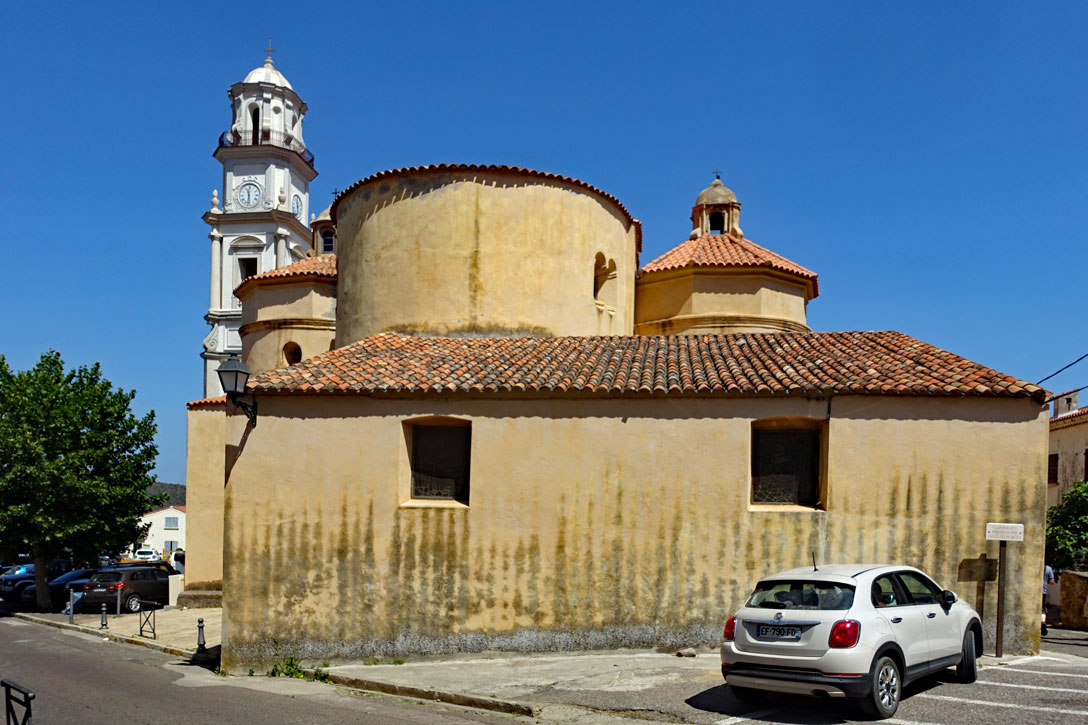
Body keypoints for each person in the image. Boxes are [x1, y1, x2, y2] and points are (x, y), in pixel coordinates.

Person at [1042, 563, 1056, 636]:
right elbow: (1051, 581)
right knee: (1042, 609)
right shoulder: (1048, 568)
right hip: (1043, 591)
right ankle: (1042, 622)